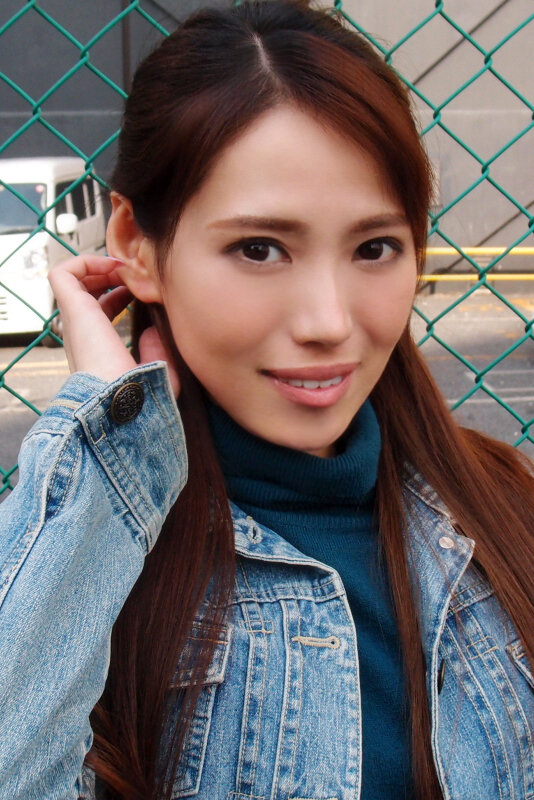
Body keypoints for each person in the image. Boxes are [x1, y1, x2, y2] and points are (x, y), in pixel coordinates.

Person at [1, 2, 533, 799]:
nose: (328, 322)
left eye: (374, 247)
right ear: (137, 245)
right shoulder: (85, 555)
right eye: (259, 249)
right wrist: (108, 438)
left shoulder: (504, 509)